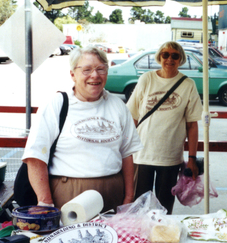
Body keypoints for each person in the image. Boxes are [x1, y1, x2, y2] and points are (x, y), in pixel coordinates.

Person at [22, 46, 142, 212]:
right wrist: (45, 202)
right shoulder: (56, 104)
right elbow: (35, 157)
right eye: (87, 70)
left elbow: (127, 154)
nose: (95, 75)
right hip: (69, 196)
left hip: (113, 194)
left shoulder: (118, 106)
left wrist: (128, 197)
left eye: (101, 69)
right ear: (72, 74)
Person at [127, 41, 202, 214]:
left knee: (164, 209)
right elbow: (133, 118)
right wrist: (127, 152)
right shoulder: (147, 79)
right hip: (142, 154)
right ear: (159, 57)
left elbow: (192, 125)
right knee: (138, 206)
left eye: (175, 55)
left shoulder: (188, 84)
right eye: (165, 55)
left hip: (170, 156)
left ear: (181, 59)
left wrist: (192, 158)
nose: (169, 59)